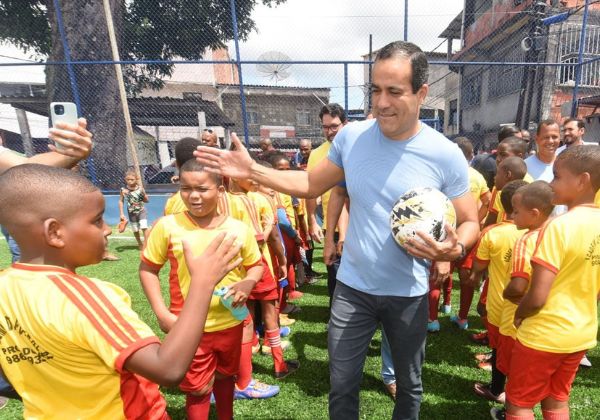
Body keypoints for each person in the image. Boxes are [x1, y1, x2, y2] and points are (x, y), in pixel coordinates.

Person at [195, 40, 480, 419]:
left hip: (408, 293)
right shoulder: (351, 138)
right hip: (352, 289)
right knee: (342, 384)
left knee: (410, 386)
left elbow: (471, 219)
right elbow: (312, 185)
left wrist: (453, 248)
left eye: (394, 91)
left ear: (421, 92)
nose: (381, 102)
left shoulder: (444, 153)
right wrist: (253, 171)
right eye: (375, 90)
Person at [0, 164, 242, 418]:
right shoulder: (86, 298)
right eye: (96, 221)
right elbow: (168, 369)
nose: (107, 229)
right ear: (55, 232)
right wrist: (203, 283)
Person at [503, 145, 600, 420]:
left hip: (544, 334)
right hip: (581, 333)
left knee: (519, 404)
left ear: (582, 181)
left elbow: (537, 296)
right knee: (556, 401)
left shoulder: (559, 226)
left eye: (557, 176)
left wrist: (520, 314)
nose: (550, 183)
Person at [489, 181, 554, 420]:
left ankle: (510, 412)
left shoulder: (525, 241)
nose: (511, 215)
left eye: (516, 211)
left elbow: (517, 287)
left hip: (516, 318)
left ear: (534, 214)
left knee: (515, 378)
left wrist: (507, 294)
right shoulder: (558, 232)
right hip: (552, 323)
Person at [470, 180, 527, 405]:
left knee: (499, 349)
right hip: (526, 310)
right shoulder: (539, 234)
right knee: (518, 353)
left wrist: (475, 279)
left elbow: (477, 269)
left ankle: (496, 390)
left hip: (497, 306)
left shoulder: (492, 233)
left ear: (504, 206)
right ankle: (516, 395)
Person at [306, 103, 350, 309]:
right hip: (331, 225)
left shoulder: (358, 149)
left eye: (334, 126)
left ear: (345, 124)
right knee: (335, 275)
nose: (329, 131)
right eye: (325, 127)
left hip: (358, 225)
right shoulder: (317, 154)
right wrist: (312, 221)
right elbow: (310, 191)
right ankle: (336, 317)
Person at [449, 137, 491, 331]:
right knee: (466, 276)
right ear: (471, 155)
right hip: (470, 231)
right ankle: (463, 317)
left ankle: (433, 317)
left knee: (440, 272)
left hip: (446, 229)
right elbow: (488, 200)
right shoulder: (476, 175)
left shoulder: (446, 172)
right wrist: (475, 219)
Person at [119, 170, 149, 249]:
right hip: (131, 212)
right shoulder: (123, 190)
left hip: (141, 211)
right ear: (125, 180)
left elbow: (147, 201)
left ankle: (146, 243)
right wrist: (121, 213)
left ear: (136, 179)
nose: (130, 181)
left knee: (144, 226)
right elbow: (121, 201)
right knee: (135, 229)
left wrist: (143, 195)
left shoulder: (140, 189)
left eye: (132, 179)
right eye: (128, 180)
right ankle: (139, 243)